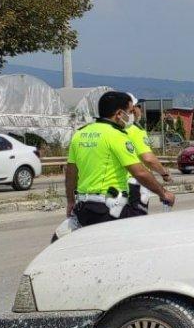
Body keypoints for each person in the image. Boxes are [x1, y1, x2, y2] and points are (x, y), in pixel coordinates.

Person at [65, 91, 175, 228]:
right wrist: (163, 193)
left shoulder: (80, 134)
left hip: (83, 208)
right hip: (107, 208)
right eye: (129, 112)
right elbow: (140, 172)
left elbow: (71, 173)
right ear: (119, 114)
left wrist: (70, 201)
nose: (131, 116)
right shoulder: (117, 135)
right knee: (140, 226)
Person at [125, 95, 173, 213]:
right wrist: (164, 173)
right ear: (132, 109)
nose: (140, 110)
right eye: (139, 107)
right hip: (135, 183)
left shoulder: (113, 131)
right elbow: (148, 159)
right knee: (137, 219)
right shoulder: (135, 131)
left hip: (116, 185)